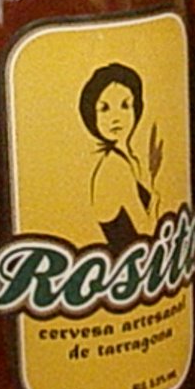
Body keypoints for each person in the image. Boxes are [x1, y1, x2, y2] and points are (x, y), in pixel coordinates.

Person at [79, 63, 156, 250]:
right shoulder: (115, 167)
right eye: (104, 108)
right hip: (128, 261)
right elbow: (146, 229)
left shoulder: (131, 159)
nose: (116, 117)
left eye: (125, 105)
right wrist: (155, 201)